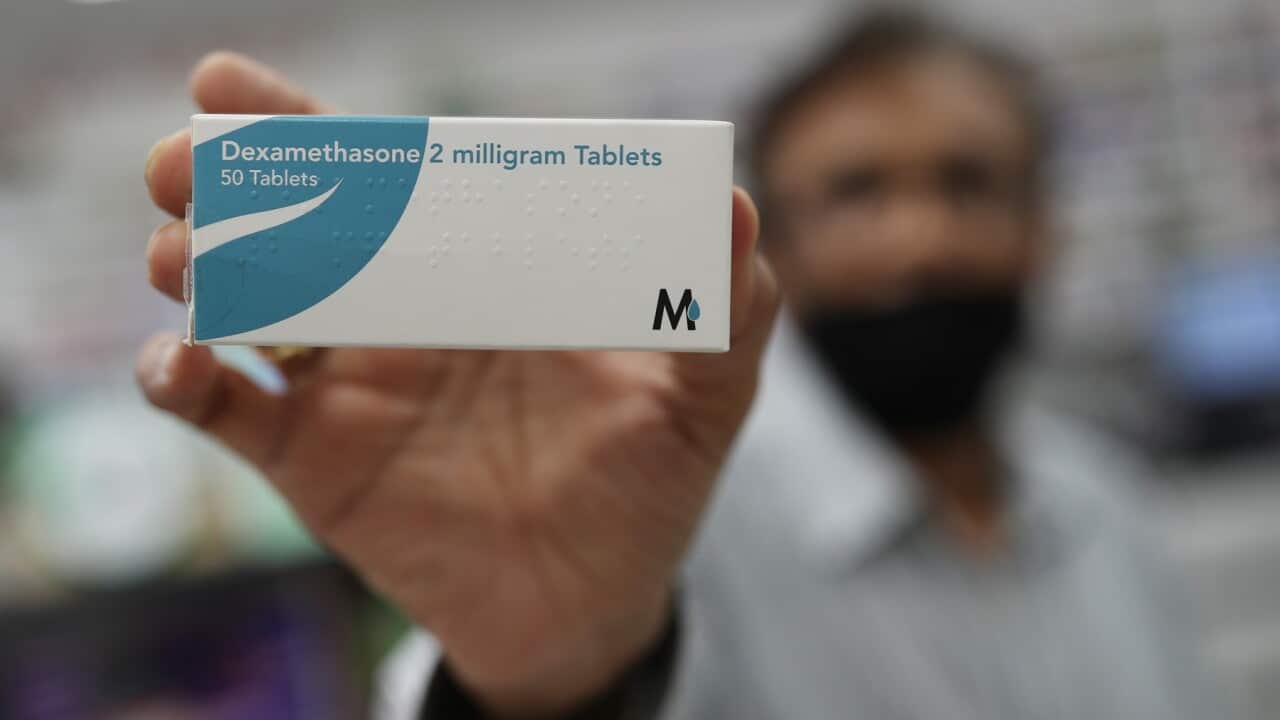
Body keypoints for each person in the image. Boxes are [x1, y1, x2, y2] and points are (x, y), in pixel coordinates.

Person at [138, 9, 1222, 719]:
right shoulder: (657, 512)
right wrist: (547, 679)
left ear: (1042, 227)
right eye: (857, 192)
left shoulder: (1110, 511)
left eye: (967, 183)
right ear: (773, 239)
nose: (917, 241)